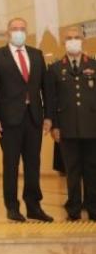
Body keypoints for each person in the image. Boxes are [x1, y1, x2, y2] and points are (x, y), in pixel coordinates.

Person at [0, 17, 54, 222]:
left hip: (34, 118)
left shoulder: (37, 55)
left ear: (27, 31)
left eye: (22, 28)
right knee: (11, 165)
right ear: (7, 32)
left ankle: (34, 206)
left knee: (33, 163)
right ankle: (12, 207)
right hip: (8, 120)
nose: (19, 32)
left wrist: (48, 116)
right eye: (15, 28)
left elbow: (46, 88)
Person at [45, 26, 96, 221]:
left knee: (92, 169)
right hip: (66, 128)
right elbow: (51, 100)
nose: (73, 40)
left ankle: (93, 206)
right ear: (63, 42)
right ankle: (73, 208)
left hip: (92, 127)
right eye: (69, 38)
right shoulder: (55, 68)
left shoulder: (93, 64)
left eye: (76, 37)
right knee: (72, 170)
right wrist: (55, 126)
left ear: (83, 40)